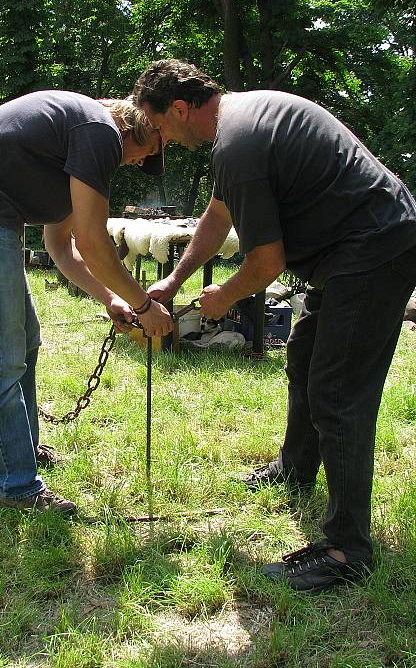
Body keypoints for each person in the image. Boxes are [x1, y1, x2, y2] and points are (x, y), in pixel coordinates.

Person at [133, 58, 416, 592]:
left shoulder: (238, 144)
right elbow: (217, 219)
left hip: (376, 248)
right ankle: (295, 469)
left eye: (161, 126)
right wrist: (172, 283)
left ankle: (346, 549)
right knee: (305, 359)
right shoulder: (237, 127)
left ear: (179, 108)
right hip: (347, 250)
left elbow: (265, 264)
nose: (163, 138)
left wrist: (222, 297)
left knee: (338, 393)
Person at [0, 91, 173, 515]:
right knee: (3, 358)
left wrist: (112, 298)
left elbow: (62, 247)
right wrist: (144, 305)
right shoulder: (99, 134)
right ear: (140, 128)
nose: (138, 162)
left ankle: (20, 451)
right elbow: (95, 245)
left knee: (25, 344)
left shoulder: (78, 144)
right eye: (146, 152)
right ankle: (14, 484)